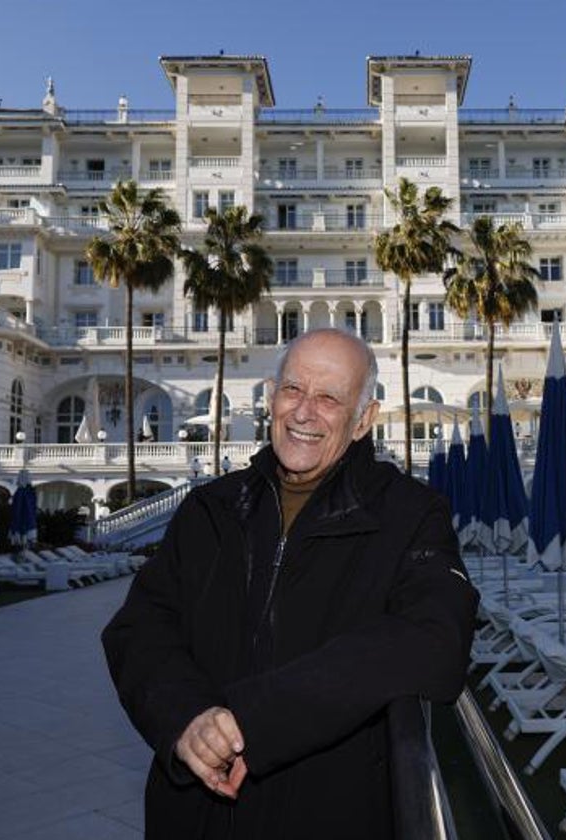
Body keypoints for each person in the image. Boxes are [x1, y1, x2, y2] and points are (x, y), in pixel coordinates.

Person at [102, 328, 478, 839]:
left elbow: (436, 640)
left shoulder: (410, 515)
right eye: (292, 390)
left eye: (329, 398)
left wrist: (254, 721)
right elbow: (139, 628)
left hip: (327, 813)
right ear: (271, 396)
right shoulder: (211, 508)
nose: (304, 412)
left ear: (364, 419)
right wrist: (187, 718)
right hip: (192, 814)